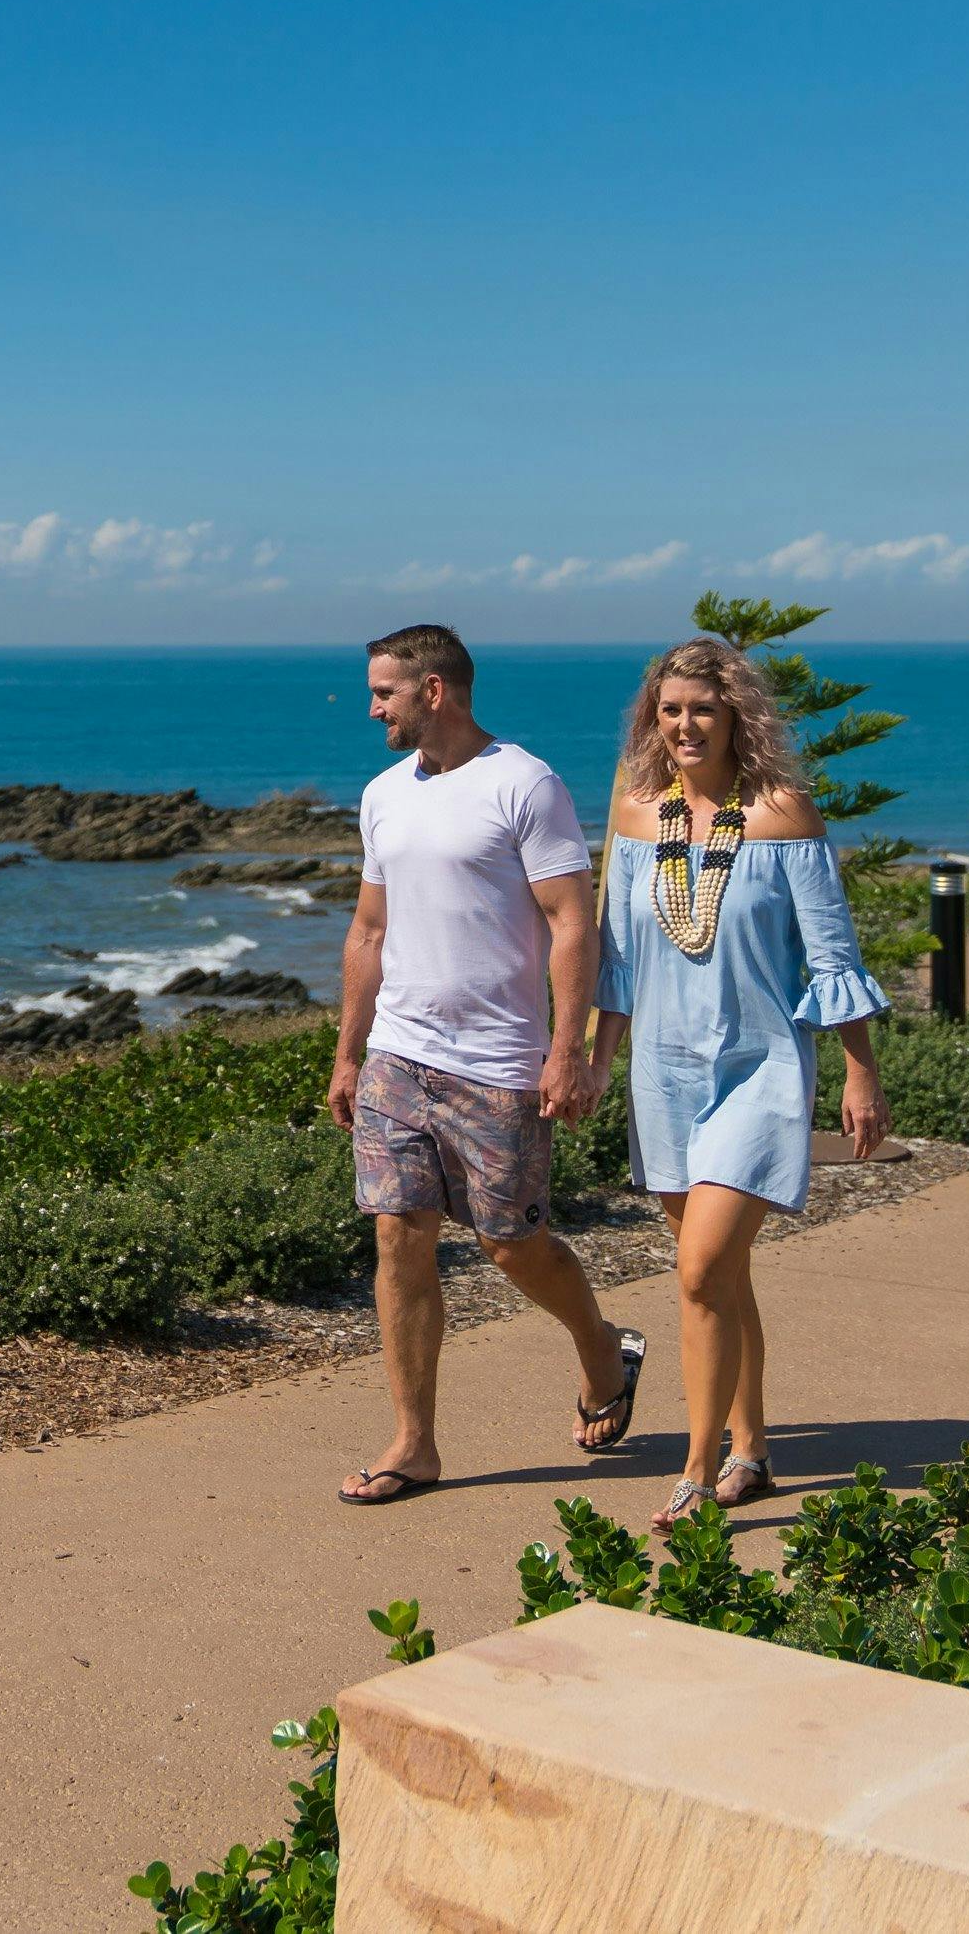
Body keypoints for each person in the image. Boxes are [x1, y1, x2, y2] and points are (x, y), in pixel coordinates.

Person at [328, 623, 644, 1507]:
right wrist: (348, 1051)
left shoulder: (524, 784)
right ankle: (413, 1443)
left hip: (498, 1061)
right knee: (398, 1235)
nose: (371, 706)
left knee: (509, 1246)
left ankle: (598, 1347)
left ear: (435, 690)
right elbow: (369, 929)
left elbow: (572, 921)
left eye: (384, 690)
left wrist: (567, 1052)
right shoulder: (382, 793)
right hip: (399, 1053)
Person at [585, 636, 891, 1534]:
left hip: (760, 1066)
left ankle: (696, 1464)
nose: (684, 724)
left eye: (702, 709)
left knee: (698, 1270)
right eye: (670, 709)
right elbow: (617, 959)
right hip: (664, 1071)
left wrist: (860, 1070)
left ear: (735, 718)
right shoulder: (638, 816)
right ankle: (751, 1445)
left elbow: (833, 954)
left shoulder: (783, 814)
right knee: (718, 1277)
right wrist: (601, 1056)